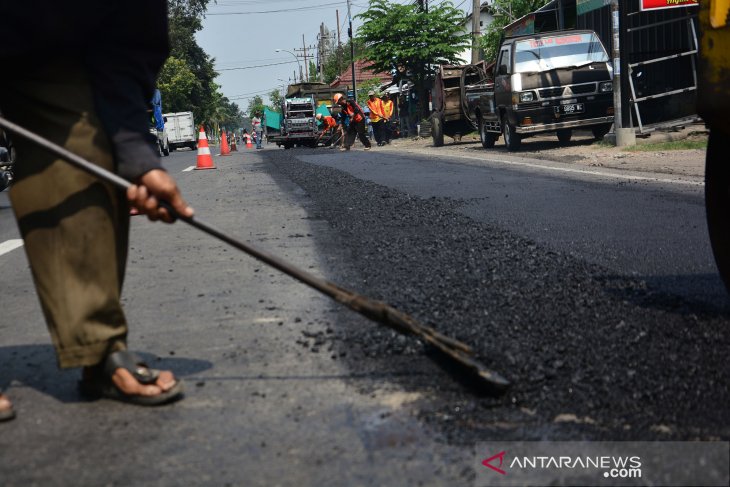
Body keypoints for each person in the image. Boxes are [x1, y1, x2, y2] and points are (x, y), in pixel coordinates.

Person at [0, 1, 193, 421]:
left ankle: (98, 346)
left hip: (39, 48)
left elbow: (124, 49)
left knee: (89, 144)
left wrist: (135, 155)